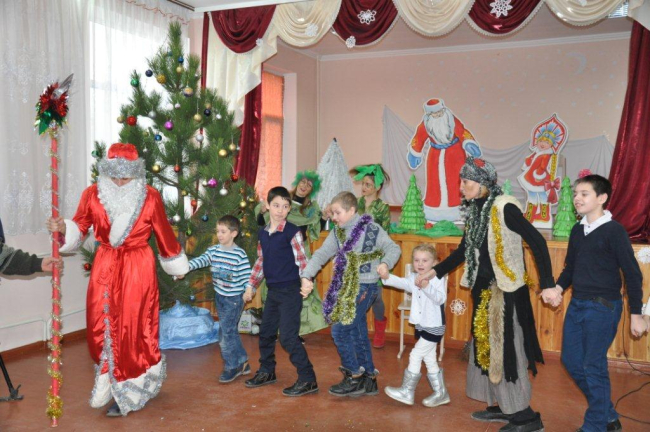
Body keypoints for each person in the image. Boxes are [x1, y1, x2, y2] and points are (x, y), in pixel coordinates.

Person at [46, 143, 189, 417]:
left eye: (126, 176)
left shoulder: (149, 196)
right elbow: (80, 226)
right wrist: (64, 228)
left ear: (135, 173)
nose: (120, 182)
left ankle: (130, 386)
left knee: (132, 326)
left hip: (137, 267)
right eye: (114, 175)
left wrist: (174, 261)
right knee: (99, 322)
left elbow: (163, 232)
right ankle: (108, 376)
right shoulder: (93, 194)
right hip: (105, 264)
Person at [420, 156, 553, 432]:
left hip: (505, 293)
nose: (461, 187)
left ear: (482, 184)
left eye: (466, 182)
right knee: (487, 349)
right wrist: (435, 272)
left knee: (506, 352)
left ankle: (526, 417)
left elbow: (538, 242)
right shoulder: (476, 211)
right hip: (483, 289)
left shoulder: (505, 208)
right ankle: (503, 405)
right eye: (461, 182)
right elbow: (462, 250)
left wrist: (549, 284)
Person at [542, 174, 646, 432]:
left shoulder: (614, 231)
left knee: (593, 365)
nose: (577, 198)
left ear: (602, 198)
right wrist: (557, 288)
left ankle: (595, 426)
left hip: (603, 307)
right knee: (571, 361)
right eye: (576, 193)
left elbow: (633, 274)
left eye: (584, 193)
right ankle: (606, 414)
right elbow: (571, 268)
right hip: (577, 304)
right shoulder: (578, 230)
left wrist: (636, 313)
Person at [301, 191, 401, 397]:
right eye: (332, 213)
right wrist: (306, 275)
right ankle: (369, 379)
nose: (334, 217)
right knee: (357, 331)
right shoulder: (337, 233)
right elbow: (321, 254)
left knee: (339, 330)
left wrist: (385, 263)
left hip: (366, 287)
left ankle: (353, 375)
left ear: (352, 210)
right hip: (346, 288)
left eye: (337, 213)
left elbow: (393, 248)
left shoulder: (372, 229)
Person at [244, 186, 318, 397]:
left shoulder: (292, 232)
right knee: (266, 333)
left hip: (291, 292)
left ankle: (308, 379)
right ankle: (267, 371)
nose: (280, 210)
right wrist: (251, 286)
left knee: (287, 337)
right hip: (273, 292)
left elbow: (302, 260)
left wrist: (306, 280)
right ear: (267, 206)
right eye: (276, 205)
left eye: (285, 206)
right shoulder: (263, 233)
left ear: (289, 209)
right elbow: (261, 261)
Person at [179, 215, 252, 384]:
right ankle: (242, 362)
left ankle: (231, 366)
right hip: (220, 297)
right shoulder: (214, 251)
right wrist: (185, 268)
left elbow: (248, 277)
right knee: (230, 331)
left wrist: (249, 291)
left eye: (223, 231)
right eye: (218, 231)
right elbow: (201, 260)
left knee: (224, 333)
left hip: (234, 299)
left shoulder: (239, 255)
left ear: (234, 233)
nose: (219, 234)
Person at [255, 171, 328, 337]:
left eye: (309, 185)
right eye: (303, 182)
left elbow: (316, 228)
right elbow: (262, 222)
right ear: (297, 182)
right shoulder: (281, 201)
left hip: (299, 251)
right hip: (278, 252)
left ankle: (294, 333)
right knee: (275, 292)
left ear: (312, 190)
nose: (304, 186)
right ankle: (274, 330)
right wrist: (261, 211)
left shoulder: (311, 209)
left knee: (298, 292)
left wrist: (324, 217)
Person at [380, 244, 449, 407]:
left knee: (415, 355)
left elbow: (440, 299)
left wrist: (426, 286)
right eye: (417, 260)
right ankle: (440, 393)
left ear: (434, 263)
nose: (420, 264)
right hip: (422, 325)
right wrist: (386, 276)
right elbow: (402, 283)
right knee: (429, 358)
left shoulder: (438, 278)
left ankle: (407, 391)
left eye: (425, 260)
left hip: (434, 326)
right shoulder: (413, 277)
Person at [406, 98, 482, 221]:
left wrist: (469, 143)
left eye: (439, 112)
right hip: (434, 157)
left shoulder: (451, 119)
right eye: (434, 114)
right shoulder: (426, 123)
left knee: (457, 181)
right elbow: (418, 138)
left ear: (443, 109)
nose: (437, 115)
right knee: (434, 181)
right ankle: (434, 207)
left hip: (455, 155)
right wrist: (415, 153)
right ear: (429, 114)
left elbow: (462, 131)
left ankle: (458, 207)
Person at [350, 164, 391, 349]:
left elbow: (386, 235)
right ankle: (357, 331)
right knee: (356, 295)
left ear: (378, 187)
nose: (364, 187)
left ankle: (380, 327)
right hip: (356, 256)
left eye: (368, 184)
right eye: (363, 184)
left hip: (375, 257)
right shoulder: (356, 204)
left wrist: (381, 260)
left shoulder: (382, 207)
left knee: (376, 297)